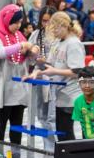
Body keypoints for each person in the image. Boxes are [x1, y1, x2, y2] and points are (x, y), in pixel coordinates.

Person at [0, 5, 35, 151]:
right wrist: (20, 45)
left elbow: (28, 59)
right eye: (15, 22)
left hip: (18, 91)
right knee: (0, 125)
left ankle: (16, 157)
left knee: (17, 127)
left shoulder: (19, 35)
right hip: (2, 90)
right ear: (7, 20)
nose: (18, 26)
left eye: (20, 22)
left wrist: (34, 52)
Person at [36, 12, 85, 141]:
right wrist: (39, 62)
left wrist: (55, 71)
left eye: (55, 28)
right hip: (60, 94)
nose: (54, 32)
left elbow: (77, 71)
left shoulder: (73, 43)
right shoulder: (57, 42)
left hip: (72, 95)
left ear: (63, 25)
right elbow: (50, 64)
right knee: (61, 132)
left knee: (66, 132)